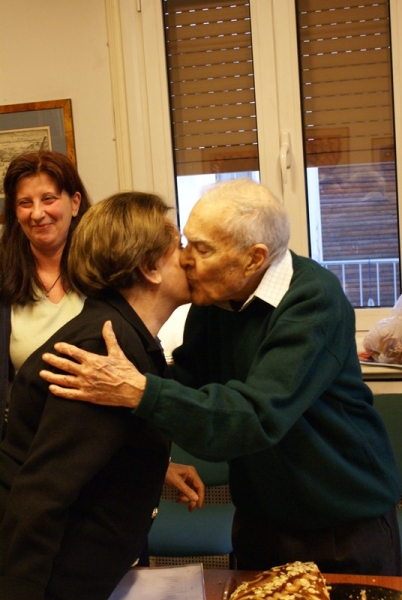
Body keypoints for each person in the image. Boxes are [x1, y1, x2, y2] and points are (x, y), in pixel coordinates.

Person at [40, 178, 402, 576]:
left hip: (342, 524)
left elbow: (254, 417)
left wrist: (138, 390)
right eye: (186, 242)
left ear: (253, 259)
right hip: (262, 520)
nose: (185, 259)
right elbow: (188, 384)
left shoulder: (314, 299)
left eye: (202, 248)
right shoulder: (214, 298)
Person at [0, 191, 204, 600]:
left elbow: (97, 446)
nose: (189, 258)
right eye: (179, 245)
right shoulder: (103, 348)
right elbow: (44, 492)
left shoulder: (125, 335)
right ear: (150, 268)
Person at [0, 150, 92, 439]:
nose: (37, 213)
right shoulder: (4, 280)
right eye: (25, 203)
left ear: (74, 203)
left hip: (99, 444)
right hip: (24, 446)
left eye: (48, 199)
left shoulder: (107, 275)